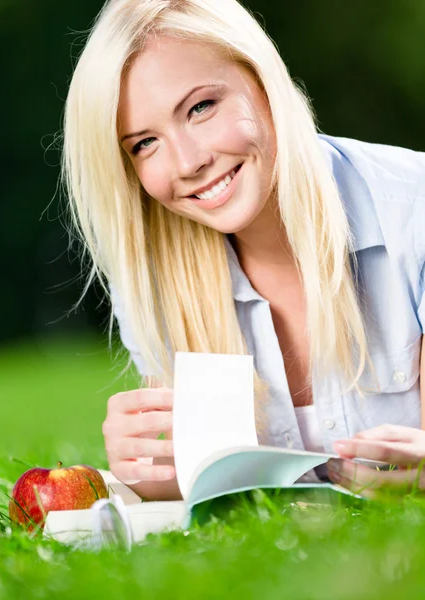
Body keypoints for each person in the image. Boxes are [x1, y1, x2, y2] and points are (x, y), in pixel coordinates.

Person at [62, 0, 425, 501]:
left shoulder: (414, 217)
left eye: (201, 108)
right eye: (145, 143)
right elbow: (219, 498)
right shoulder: (154, 277)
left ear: (263, 82)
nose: (188, 162)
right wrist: (155, 470)